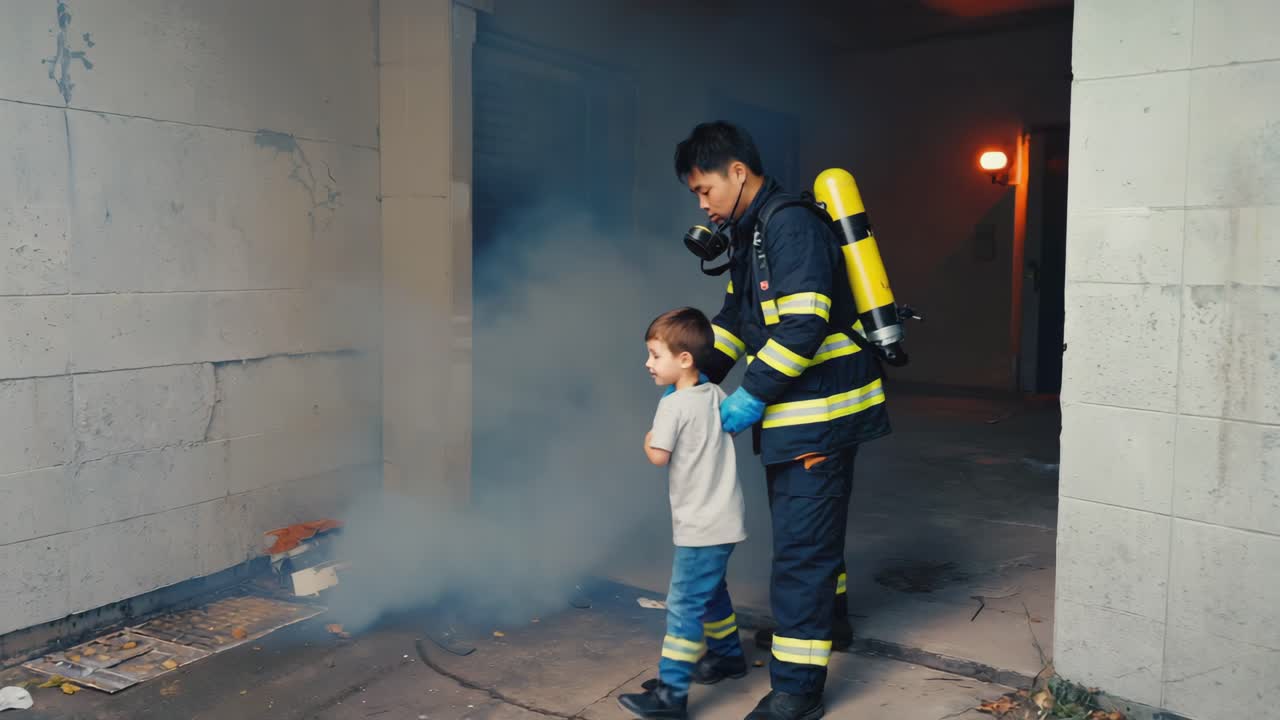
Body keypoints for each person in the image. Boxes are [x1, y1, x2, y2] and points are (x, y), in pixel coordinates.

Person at [674, 121, 892, 720]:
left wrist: (749, 396)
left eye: (704, 190)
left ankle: (796, 690)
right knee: (811, 537)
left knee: (800, 550)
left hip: (819, 413)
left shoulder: (788, 225)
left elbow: (802, 325)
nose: (702, 203)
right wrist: (693, 375)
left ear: (737, 173)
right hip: (796, 416)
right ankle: (833, 622)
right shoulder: (751, 233)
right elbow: (737, 320)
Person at [618, 307, 750, 720]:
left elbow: (659, 455)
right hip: (725, 519)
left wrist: (646, 439)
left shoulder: (673, 405)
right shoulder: (714, 394)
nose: (648, 363)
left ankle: (670, 696)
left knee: (683, 606)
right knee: (711, 595)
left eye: (655, 355)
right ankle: (729, 658)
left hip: (700, 525)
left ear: (684, 359)